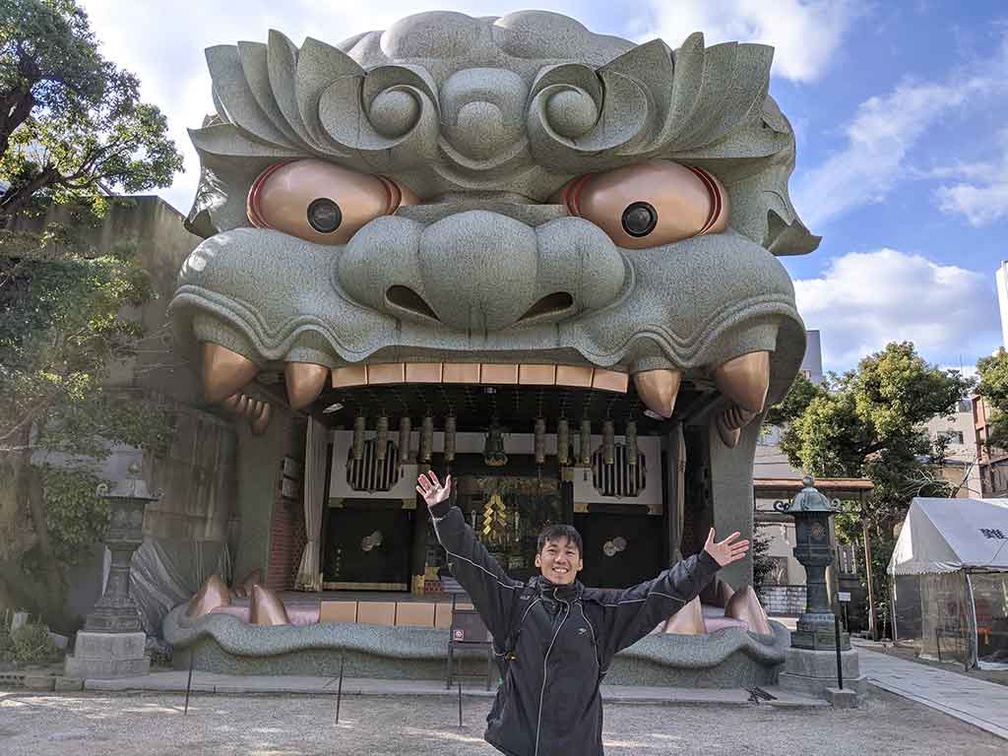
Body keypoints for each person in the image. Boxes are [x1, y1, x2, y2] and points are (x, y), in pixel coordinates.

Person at [417, 471, 749, 756]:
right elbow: (474, 563)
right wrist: (443, 513)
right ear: (538, 560)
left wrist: (704, 564)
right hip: (521, 742)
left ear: (580, 563)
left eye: (569, 553)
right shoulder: (514, 603)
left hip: (578, 744)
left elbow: (655, 596)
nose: (560, 558)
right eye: (552, 551)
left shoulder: (599, 613)